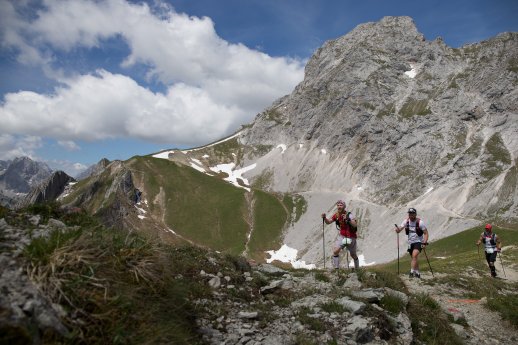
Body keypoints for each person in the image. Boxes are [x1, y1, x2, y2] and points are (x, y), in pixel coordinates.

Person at [322, 200, 359, 270]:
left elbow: (355, 225)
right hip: (342, 236)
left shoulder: (349, 214)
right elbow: (328, 222)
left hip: (351, 237)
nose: (339, 206)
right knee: (335, 251)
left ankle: (357, 269)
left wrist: (348, 219)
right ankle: (336, 269)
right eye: (338, 205)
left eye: (341, 205)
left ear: (344, 206)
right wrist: (324, 218)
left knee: (353, 254)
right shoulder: (336, 215)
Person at [394, 208, 429, 278]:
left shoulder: (420, 222)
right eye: (409, 214)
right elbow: (400, 229)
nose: (411, 215)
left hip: (419, 242)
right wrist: (397, 230)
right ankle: (417, 273)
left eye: (412, 214)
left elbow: (426, 233)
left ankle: (411, 272)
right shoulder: (406, 221)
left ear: (415, 214)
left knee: (414, 255)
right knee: (414, 258)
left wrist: (424, 243)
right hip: (410, 242)